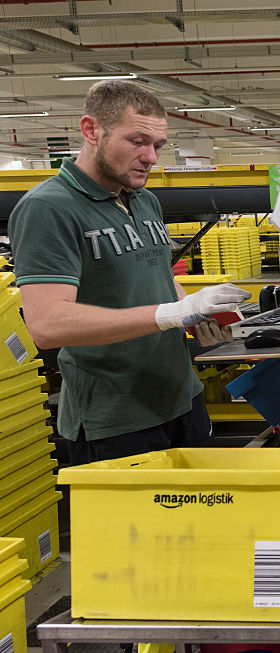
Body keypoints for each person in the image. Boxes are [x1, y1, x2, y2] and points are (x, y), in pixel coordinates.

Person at [8, 80, 250, 465]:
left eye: (158, 145)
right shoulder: (48, 209)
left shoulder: (145, 199)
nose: (151, 157)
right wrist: (168, 315)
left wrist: (194, 314)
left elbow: (157, 278)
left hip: (181, 398)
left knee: (201, 523)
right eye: (137, 141)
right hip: (117, 419)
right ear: (92, 131)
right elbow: (47, 324)